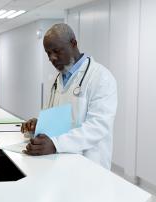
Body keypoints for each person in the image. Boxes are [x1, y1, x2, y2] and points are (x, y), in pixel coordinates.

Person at [21, 23, 117, 170]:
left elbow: (97, 126)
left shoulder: (101, 77)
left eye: (57, 51)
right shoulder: (57, 80)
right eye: (48, 53)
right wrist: (38, 125)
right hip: (59, 163)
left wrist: (56, 144)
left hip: (89, 167)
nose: (52, 58)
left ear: (73, 43)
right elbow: (58, 119)